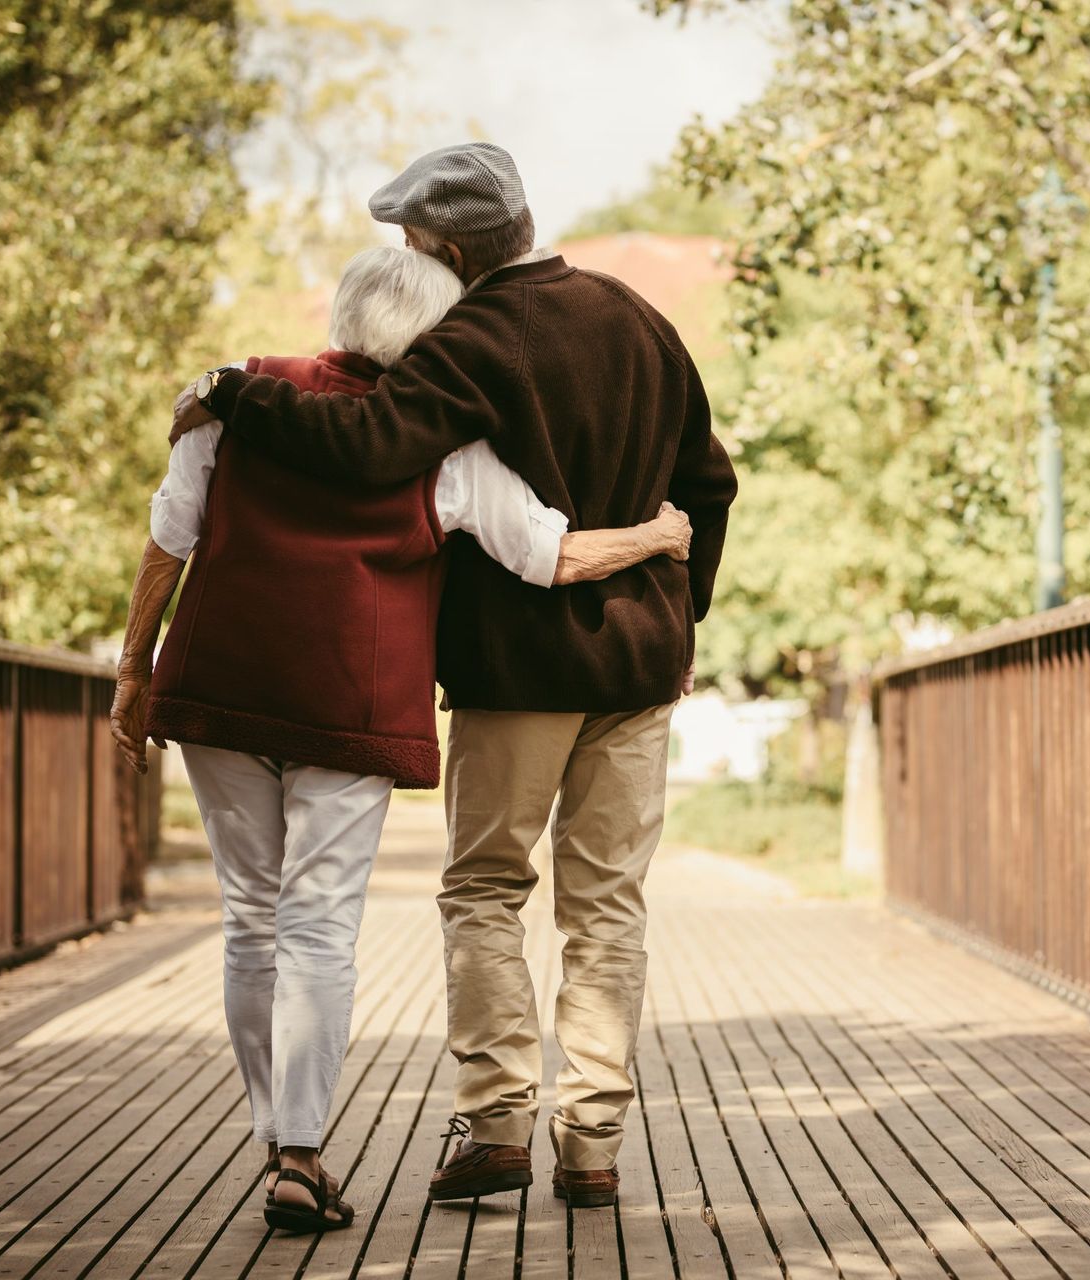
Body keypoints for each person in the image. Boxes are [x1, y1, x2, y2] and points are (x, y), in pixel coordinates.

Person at [172, 142, 737, 1209]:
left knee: (486, 888)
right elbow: (710, 480)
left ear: (441, 245)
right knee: (607, 902)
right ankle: (594, 1137)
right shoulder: (638, 316)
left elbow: (373, 441)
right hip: (639, 668)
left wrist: (234, 394)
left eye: (409, 241)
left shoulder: (473, 335)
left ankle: (497, 1120)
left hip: (516, 669)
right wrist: (681, 616)